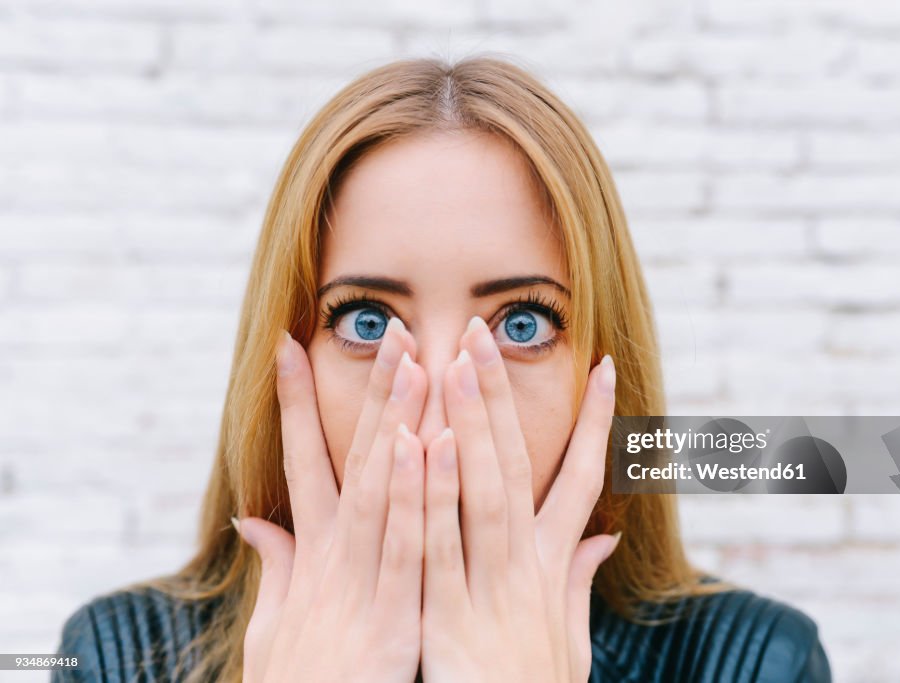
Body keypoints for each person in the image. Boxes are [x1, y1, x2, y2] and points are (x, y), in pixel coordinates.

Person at [52, 55, 832, 682]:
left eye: (522, 325)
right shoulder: (115, 658)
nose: (436, 401)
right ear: (287, 362)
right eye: (368, 322)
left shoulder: (759, 661)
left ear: (602, 373)